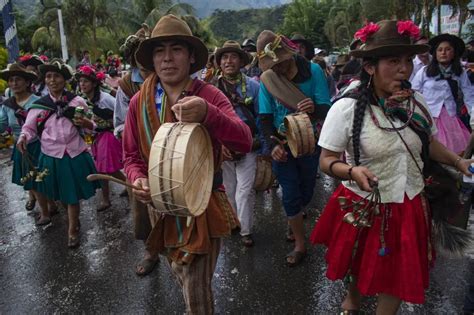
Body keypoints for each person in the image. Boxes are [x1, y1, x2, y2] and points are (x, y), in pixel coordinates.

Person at [309, 20, 474, 314]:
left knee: (396, 277)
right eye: (393, 61)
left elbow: (429, 143)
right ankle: (353, 296)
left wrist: (458, 161)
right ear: (370, 67)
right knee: (359, 260)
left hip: (408, 204)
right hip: (363, 204)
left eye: (409, 60)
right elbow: (326, 160)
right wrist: (351, 172)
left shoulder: (417, 103)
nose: (404, 69)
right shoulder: (345, 108)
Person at [123, 15, 251, 313]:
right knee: (181, 275)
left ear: (191, 56)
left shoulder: (209, 95)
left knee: (195, 286)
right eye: (159, 51)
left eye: (176, 49)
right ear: (152, 59)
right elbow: (130, 157)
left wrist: (209, 113)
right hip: (160, 206)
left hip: (202, 204)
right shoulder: (136, 104)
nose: (167, 58)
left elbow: (243, 140)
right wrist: (137, 178)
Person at [256, 30, 331, 266]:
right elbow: (265, 117)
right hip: (282, 142)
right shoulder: (267, 79)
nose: (277, 68)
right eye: (272, 65)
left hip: (308, 141)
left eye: (281, 62)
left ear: (290, 54)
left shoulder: (314, 71)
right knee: (290, 193)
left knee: (306, 190)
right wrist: (272, 144)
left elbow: (326, 109)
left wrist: (314, 109)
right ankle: (300, 243)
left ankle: (295, 218)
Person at [17, 59, 100, 248]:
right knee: (62, 195)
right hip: (52, 155)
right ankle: (74, 220)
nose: (52, 80)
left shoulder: (77, 102)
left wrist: (87, 124)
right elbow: (29, 128)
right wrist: (22, 138)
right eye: (48, 76)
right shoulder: (40, 105)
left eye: (56, 76)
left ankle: (72, 231)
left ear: (65, 80)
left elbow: (91, 126)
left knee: (72, 196)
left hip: (74, 153)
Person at [113, 25, 157, 277]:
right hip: (139, 156)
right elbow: (118, 122)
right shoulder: (127, 85)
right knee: (141, 207)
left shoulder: (168, 77)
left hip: (170, 153)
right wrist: (130, 131)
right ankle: (151, 253)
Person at [215, 40, 260, 247]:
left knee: (245, 189)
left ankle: (246, 230)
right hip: (223, 146)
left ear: (241, 61)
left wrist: (261, 144)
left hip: (248, 144)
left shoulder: (253, 86)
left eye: (233, 56)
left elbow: (261, 116)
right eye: (224, 57)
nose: (228, 61)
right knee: (229, 187)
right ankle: (233, 221)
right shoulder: (212, 88)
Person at [0, 63, 51, 216]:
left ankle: (50, 207)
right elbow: (2, 123)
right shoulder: (7, 105)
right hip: (20, 147)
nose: (14, 83)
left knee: (44, 179)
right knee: (31, 182)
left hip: (39, 145)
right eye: (11, 80)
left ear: (27, 82)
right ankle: (45, 212)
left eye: (18, 80)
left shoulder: (38, 102)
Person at [412, 33, 474, 154]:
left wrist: (473, 116)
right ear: (435, 53)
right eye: (440, 50)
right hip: (428, 116)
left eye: (448, 49)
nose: (443, 53)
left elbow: (469, 95)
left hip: (450, 117)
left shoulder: (459, 72)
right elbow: (413, 92)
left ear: (454, 53)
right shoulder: (424, 71)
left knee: (454, 152)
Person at [76, 65, 126, 212]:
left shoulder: (106, 99)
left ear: (94, 83)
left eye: (85, 81)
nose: (82, 85)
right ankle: (126, 184)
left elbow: (121, 112)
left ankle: (110, 197)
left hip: (108, 134)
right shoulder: (81, 101)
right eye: (80, 82)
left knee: (105, 169)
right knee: (103, 168)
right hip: (95, 136)